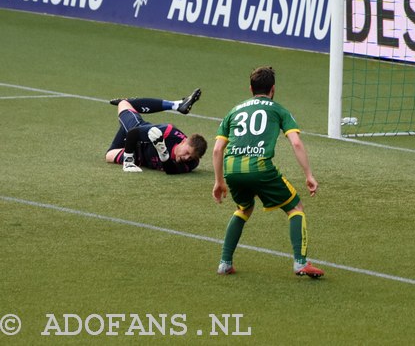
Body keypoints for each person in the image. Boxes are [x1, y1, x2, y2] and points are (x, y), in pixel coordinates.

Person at [212, 66, 324, 278]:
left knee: (244, 208)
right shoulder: (279, 110)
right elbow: (297, 144)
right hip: (260, 168)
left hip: (233, 169)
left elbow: (217, 149)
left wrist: (219, 181)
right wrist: (309, 175)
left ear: (250, 89)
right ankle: (300, 263)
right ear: (273, 89)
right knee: (295, 207)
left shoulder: (234, 111)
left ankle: (225, 263)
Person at [105, 88, 207, 174]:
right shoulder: (167, 132)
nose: (186, 158)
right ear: (183, 141)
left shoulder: (192, 162)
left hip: (139, 157)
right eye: (187, 152)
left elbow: (172, 170)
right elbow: (133, 133)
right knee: (124, 103)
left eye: (190, 157)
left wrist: (164, 154)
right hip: (137, 134)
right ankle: (175, 105)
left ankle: (133, 105)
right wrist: (128, 161)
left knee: (108, 155)